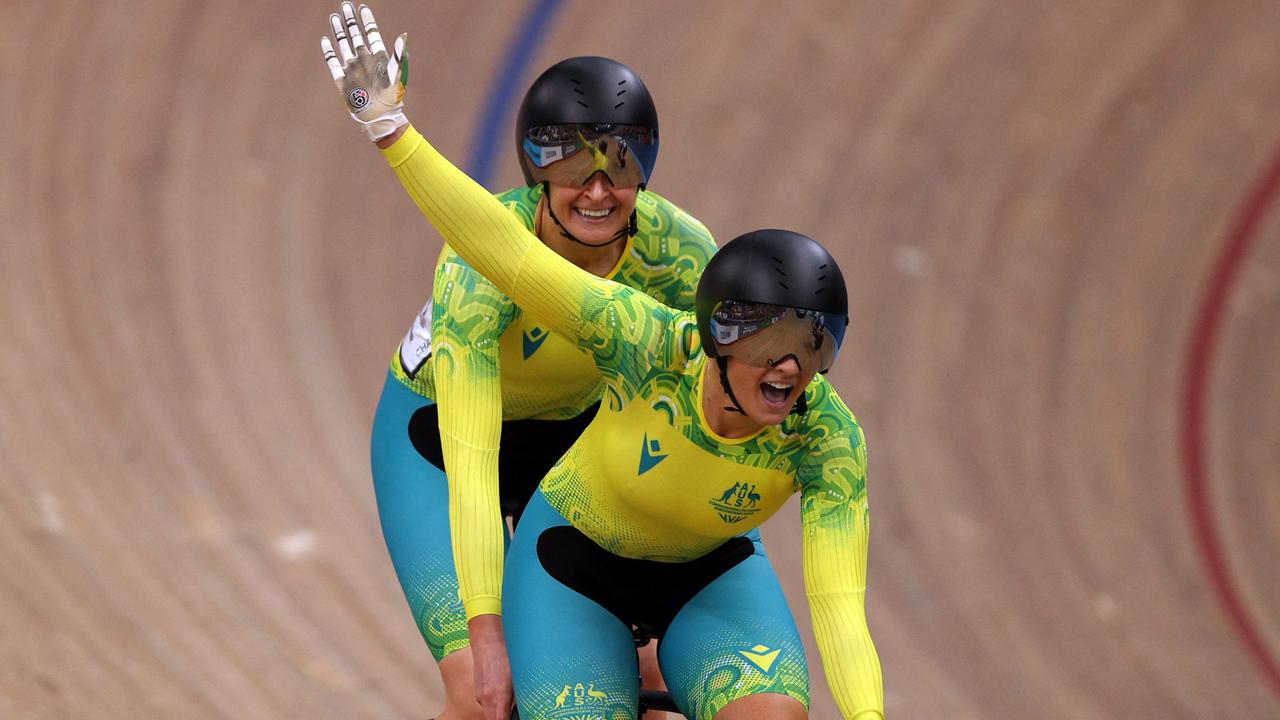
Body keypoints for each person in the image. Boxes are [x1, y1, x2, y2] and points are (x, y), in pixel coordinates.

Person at [322, 5, 884, 719]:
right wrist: (487, 632)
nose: (596, 191)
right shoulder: (482, 272)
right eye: (573, 170)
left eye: (619, 168)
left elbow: (723, 397)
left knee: (654, 680)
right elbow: (472, 450)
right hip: (443, 442)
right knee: (481, 693)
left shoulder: (679, 254)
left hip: (591, 450)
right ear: (536, 173)